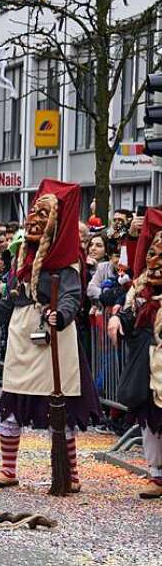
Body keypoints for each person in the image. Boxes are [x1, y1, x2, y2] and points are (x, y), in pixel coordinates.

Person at [0, 179, 101, 490]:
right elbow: (12, 300)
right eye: (34, 213)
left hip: (55, 337)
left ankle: (70, 475)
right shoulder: (23, 259)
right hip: (23, 336)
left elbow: (71, 296)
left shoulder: (67, 262)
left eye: (43, 215)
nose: (34, 219)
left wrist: (62, 315)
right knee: (12, 403)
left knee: (60, 411)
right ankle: (8, 470)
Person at [112, 210, 162, 499]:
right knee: (151, 420)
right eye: (152, 254)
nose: (154, 262)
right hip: (150, 366)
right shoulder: (140, 293)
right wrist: (119, 321)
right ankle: (156, 475)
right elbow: (130, 315)